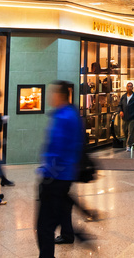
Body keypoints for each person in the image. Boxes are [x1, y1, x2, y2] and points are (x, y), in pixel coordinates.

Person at [37, 81, 84, 256]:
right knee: (58, 214)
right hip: (63, 176)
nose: (50, 96)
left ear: (61, 95)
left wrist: (48, 174)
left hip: (56, 177)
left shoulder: (64, 117)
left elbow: (59, 148)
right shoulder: (68, 114)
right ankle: (71, 234)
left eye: (53, 93)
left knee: (44, 226)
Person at [119, 82, 134, 151]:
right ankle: (129, 142)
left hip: (132, 117)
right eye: (128, 86)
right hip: (124, 117)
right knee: (125, 130)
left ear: (132, 88)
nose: (129, 87)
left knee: (130, 131)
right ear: (126, 87)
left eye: (131, 86)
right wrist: (120, 111)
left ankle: (129, 145)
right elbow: (120, 105)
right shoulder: (123, 97)